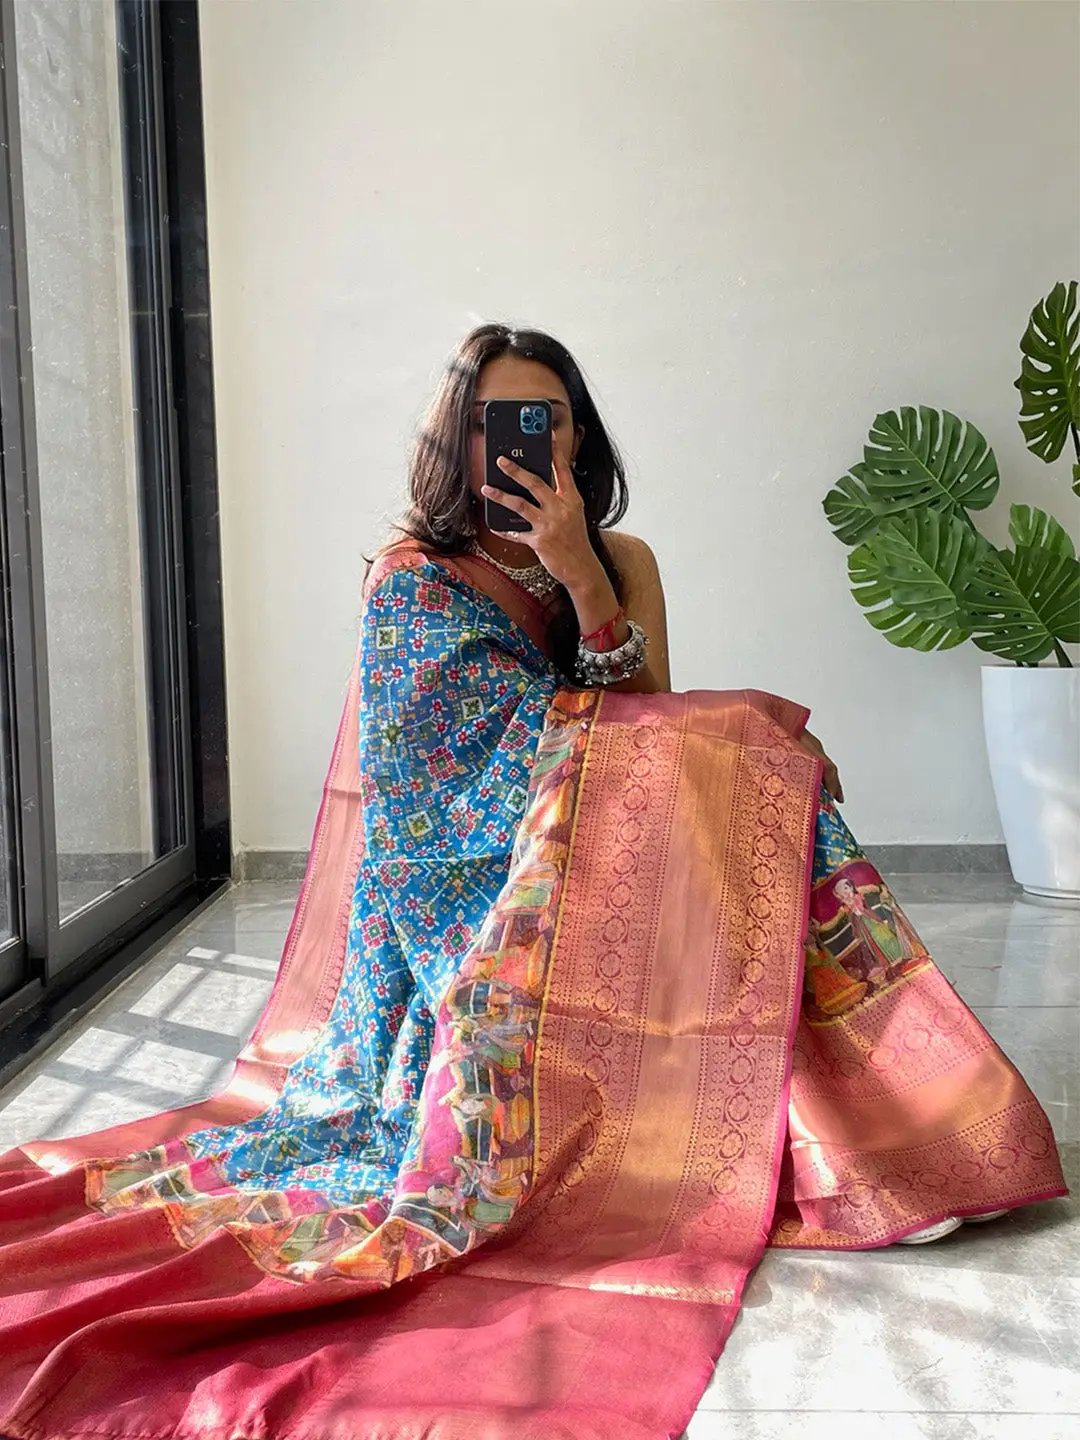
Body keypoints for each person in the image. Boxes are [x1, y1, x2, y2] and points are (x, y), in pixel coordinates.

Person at [0, 324, 1066, 1440]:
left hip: (605, 843)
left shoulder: (624, 557)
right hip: (464, 892)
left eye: (544, 416)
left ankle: (884, 1129)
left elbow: (654, 715)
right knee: (753, 754)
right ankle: (840, 1138)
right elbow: (424, 782)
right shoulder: (407, 579)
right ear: (454, 442)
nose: (518, 438)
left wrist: (581, 578)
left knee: (759, 787)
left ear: (578, 432)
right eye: (491, 420)